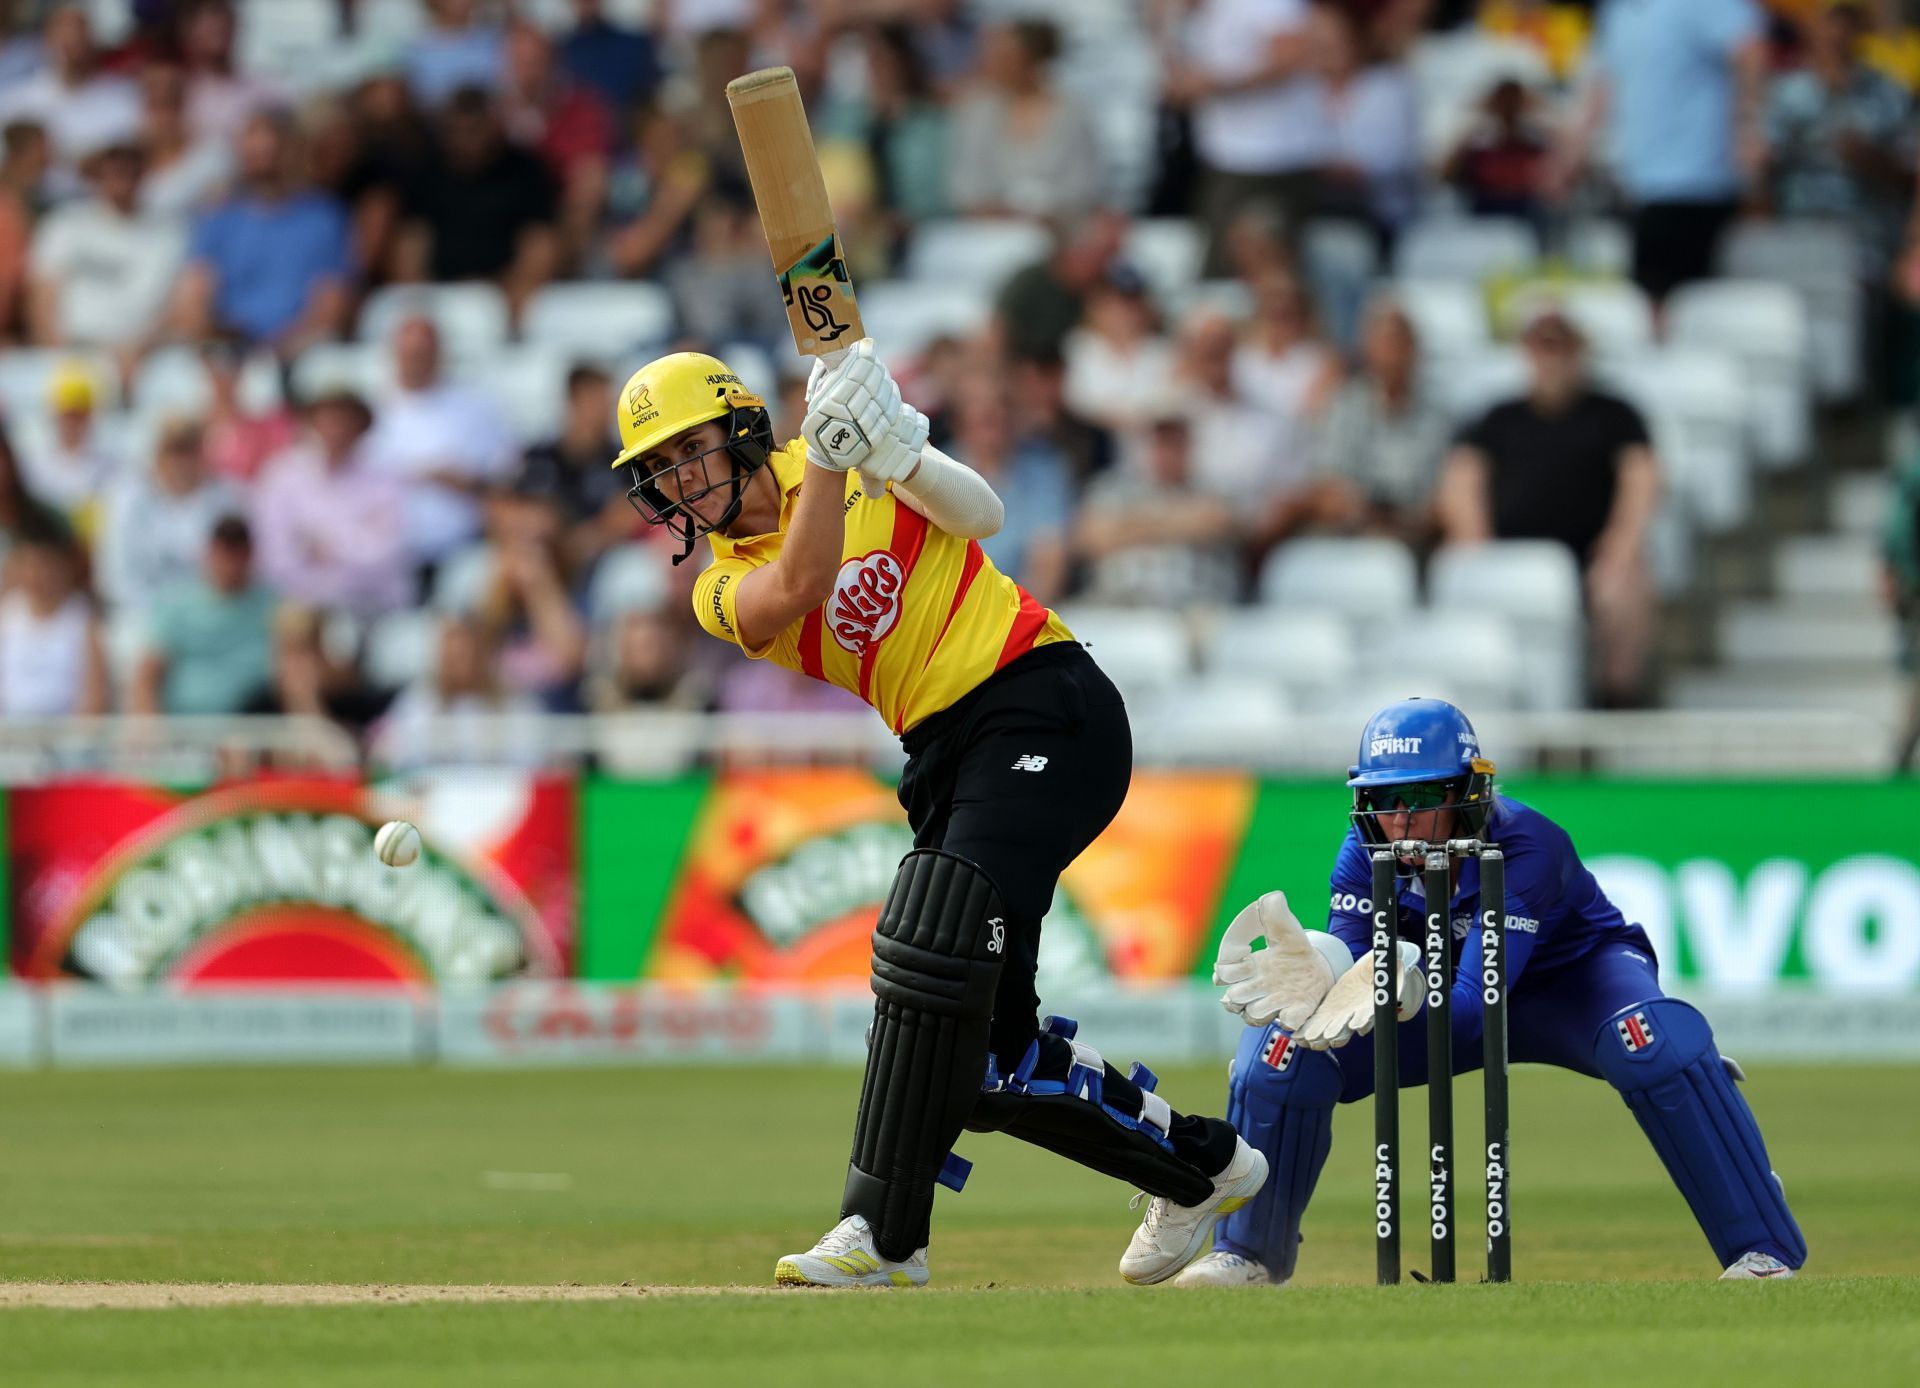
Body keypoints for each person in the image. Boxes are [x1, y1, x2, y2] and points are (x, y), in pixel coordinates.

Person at [611, 342, 1263, 1288]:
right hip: (942, 752)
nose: (680, 480)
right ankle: (1203, 1169)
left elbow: (983, 515)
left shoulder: (835, 456)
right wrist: (838, 453)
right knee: (985, 1057)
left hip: (1041, 695)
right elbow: (794, 587)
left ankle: (880, 1238)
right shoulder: (718, 588)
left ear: (741, 428)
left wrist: (898, 447)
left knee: (932, 946)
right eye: (658, 471)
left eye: (689, 450)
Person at [1169, 697, 1808, 1286]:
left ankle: (1761, 1247)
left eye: (1420, 799)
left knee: (1654, 1043)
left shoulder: (1527, 846)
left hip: (1571, 985)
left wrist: (1401, 985)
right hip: (1441, 995)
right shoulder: (1365, 851)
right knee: (1282, 1048)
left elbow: (1476, 1014)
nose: (1401, 822)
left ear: (1468, 792)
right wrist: (1327, 966)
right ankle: (1249, 1254)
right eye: (1384, 800)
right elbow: (1354, 975)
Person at [1437, 307, 1661, 706]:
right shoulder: (1496, 417)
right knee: (1456, 572)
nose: (1552, 358)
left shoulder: (1616, 414)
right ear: (1527, 352)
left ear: (1579, 351)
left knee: (1625, 584)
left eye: (1561, 347)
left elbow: (1641, 478)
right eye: (1543, 346)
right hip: (1507, 557)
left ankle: (1615, 703)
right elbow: (1460, 481)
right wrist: (1478, 551)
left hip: (1590, 558)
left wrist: (1619, 547)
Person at [1551, 0, 1767, 304]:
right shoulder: (1618, 12)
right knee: (1645, 298)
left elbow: (1749, 48)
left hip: (1695, 179)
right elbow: (1603, 87)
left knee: (1682, 303)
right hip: (1638, 183)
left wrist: (1748, 128)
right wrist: (1567, 158)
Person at [173, 109, 353, 352]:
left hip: (299, 352)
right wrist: (215, 343)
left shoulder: (324, 218)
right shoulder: (219, 217)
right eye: (254, 150)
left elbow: (331, 306)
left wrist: (275, 353)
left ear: (292, 150)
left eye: (273, 148)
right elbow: (194, 297)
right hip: (227, 349)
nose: (264, 156)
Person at [1765, 0, 1914, 275]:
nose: (1838, 33)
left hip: (1868, 243)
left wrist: (1874, 160)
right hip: (1799, 234)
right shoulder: (1784, 92)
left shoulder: (1889, 92)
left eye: (1848, 23)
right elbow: (1761, 170)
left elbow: (1911, 173)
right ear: (1812, 28)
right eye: (1831, 22)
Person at [364, 315, 521, 574]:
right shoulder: (369, 412)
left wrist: (465, 481)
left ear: (440, 353)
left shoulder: (476, 406)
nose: (417, 360)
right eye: (410, 352)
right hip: (383, 554)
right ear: (394, 353)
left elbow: (507, 475)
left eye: (424, 352)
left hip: (464, 548)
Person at [251, 387, 412, 619]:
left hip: (374, 608)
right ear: (312, 422)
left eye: (346, 419)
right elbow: (275, 556)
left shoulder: (385, 480)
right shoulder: (282, 475)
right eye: (329, 418)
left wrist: (329, 547)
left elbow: (388, 555)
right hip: (304, 609)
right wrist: (354, 544)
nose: (337, 428)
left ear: (361, 426)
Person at [26, 139, 184, 361]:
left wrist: (142, 352)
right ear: (97, 175)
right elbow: (42, 296)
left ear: (144, 174)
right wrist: (56, 355)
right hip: (72, 349)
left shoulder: (169, 235)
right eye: (114, 171)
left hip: (142, 355)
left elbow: (177, 309)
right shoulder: (65, 223)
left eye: (130, 170)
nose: (121, 178)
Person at [1312, 297, 1452, 544]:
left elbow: (1443, 494)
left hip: (1417, 536)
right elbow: (1330, 483)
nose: (1393, 353)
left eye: (1400, 342)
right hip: (1355, 529)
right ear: (1368, 349)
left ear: (1415, 349)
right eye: (1385, 342)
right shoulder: (1346, 404)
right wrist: (1366, 513)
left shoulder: (1438, 412)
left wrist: (1407, 519)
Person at [946, 20, 1103, 221]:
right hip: (988, 231)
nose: (992, 64)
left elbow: (1082, 186)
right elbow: (965, 185)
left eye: (1005, 57)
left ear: (1032, 61)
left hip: (1059, 229)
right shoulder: (976, 112)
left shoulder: (1073, 112)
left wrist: (1043, 214)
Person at [130, 514, 276, 716]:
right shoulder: (176, 604)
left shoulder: (272, 607)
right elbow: (146, 675)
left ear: (250, 555)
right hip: (185, 730)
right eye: (224, 555)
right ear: (208, 553)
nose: (230, 565)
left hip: (255, 728)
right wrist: (147, 725)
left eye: (237, 555)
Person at [95, 417, 241, 612]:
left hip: (212, 613)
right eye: (173, 451)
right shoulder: (127, 500)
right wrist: (162, 620)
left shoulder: (229, 498)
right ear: (157, 456)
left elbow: (237, 567)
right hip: (140, 613)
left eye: (189, 450)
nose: (181, 461)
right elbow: (117, 576)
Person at [0, 520, 107, 717]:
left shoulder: (82, 619)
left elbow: (95, 697)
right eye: (27, 564)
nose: (35, 575)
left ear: (63, 565)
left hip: (63, 738)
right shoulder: (6, 614)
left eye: (43, 565)